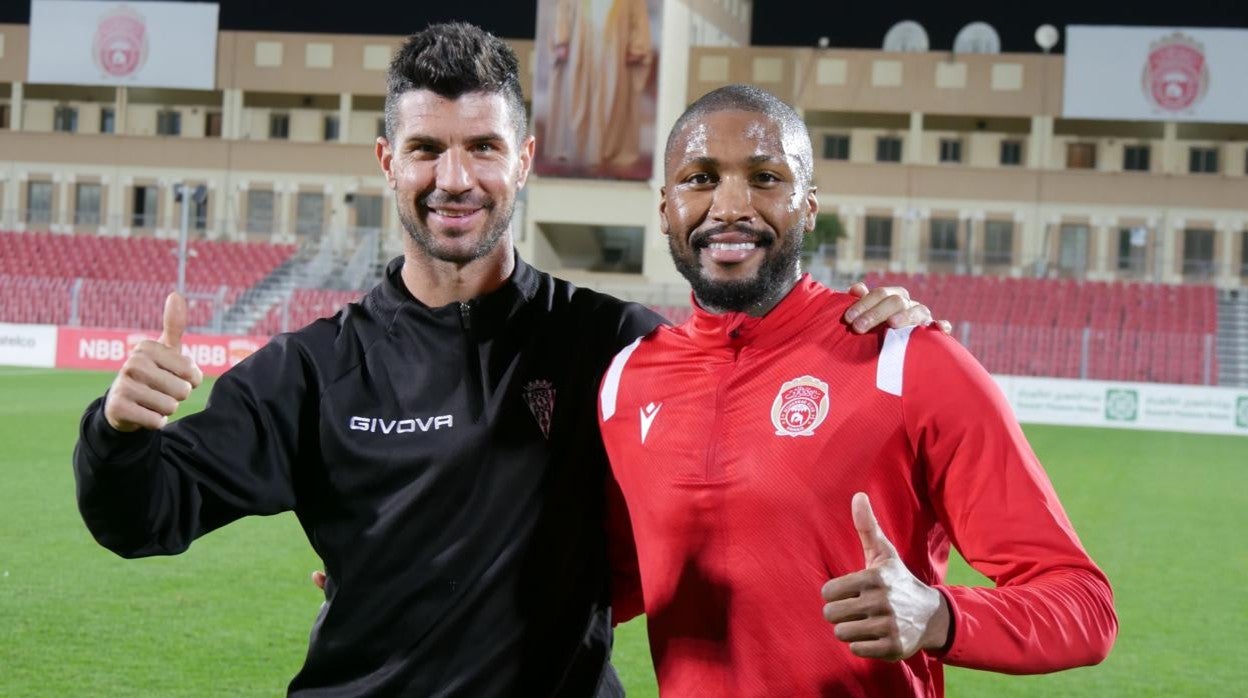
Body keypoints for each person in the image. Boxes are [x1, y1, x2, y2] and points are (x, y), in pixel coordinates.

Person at [71, 25, 934, 696]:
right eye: (426, 149)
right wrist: (118, 432)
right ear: (387, 162)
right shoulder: (314, 371)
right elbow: (142, 515)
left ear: (523, 160)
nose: (456, 177)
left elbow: (758, 384)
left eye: (483, 146)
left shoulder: (619, 346)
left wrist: (851, 331)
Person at [597, 84, 1118, 696]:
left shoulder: (906, 359)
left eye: (765, 177)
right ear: (666, 207)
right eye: (701, 178)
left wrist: (941, 616)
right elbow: (615, 585)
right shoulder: (625, 382)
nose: (731, 205)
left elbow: (1086, 607)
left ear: (809, 205)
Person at [543, 0, 653, 177]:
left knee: (612, 101)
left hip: (614, 53)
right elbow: (563, 12)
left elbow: (638, 16)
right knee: (577, 100)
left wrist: (637, 45)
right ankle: (580, 153)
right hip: (582, 51)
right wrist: (561, 40)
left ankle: (605, 154)